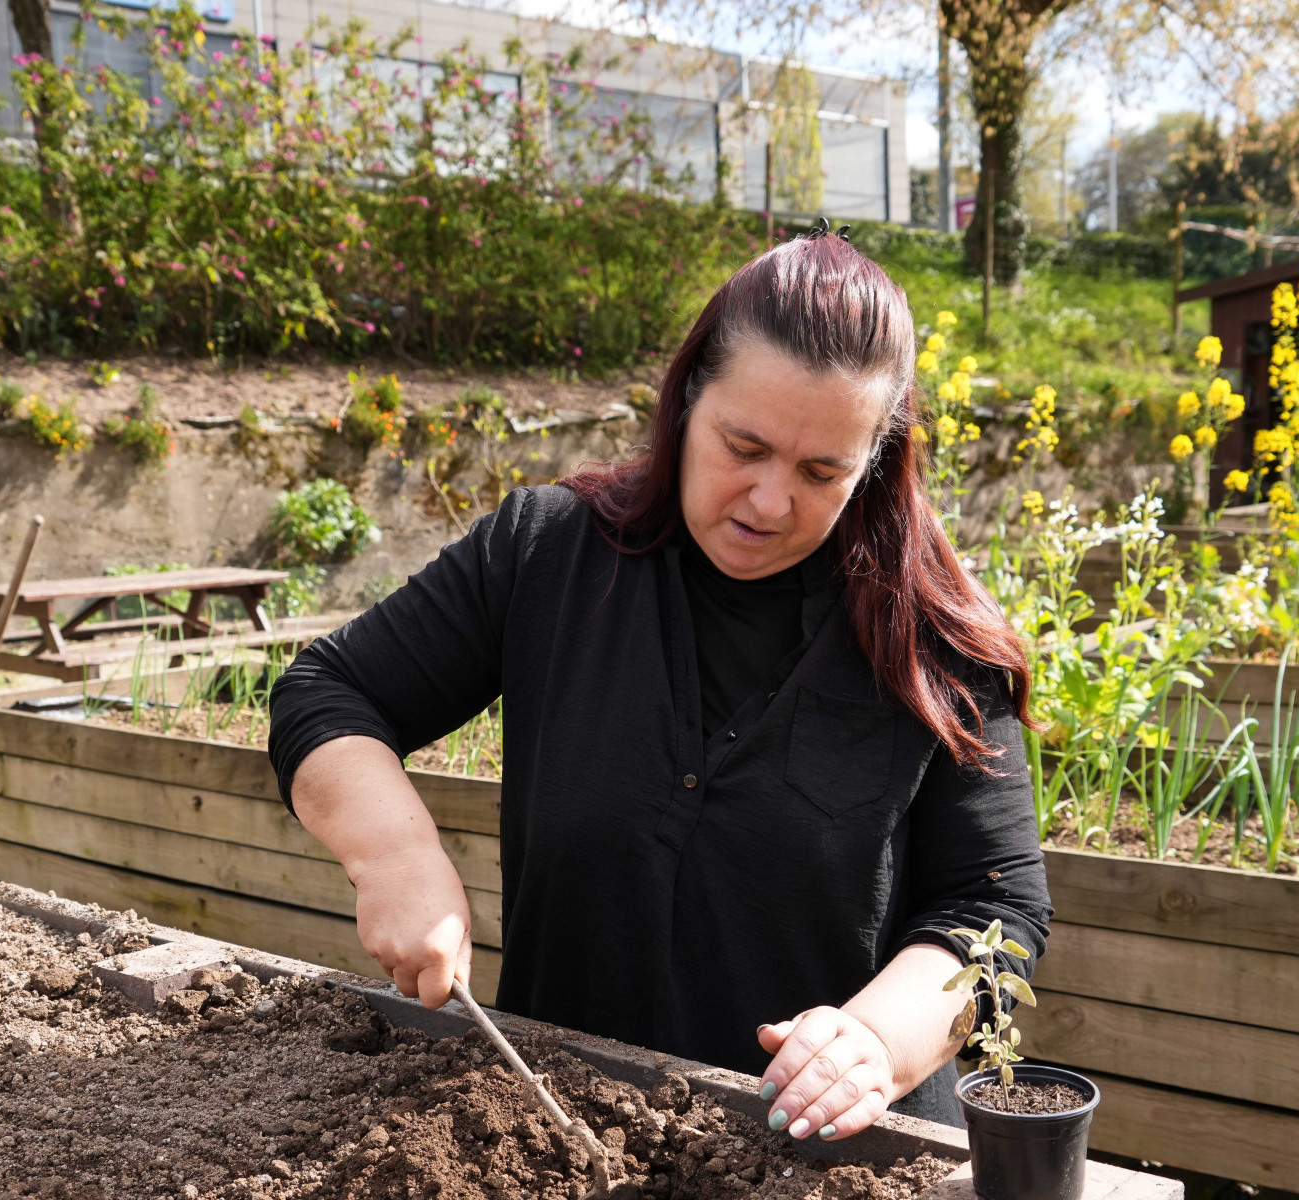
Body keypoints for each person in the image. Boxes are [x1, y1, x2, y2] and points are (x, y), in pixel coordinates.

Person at [269, 225, 1049, 1143]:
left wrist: (876, 1041)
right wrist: (395, 858)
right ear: (685, 403)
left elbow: (998, 910)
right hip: (555, 1138)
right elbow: (327, 691)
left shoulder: (935, 638)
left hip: (827, 1184)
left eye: (819, 471)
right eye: (742, 445)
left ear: (875, 459)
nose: (767, 500)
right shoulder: (546, 556)